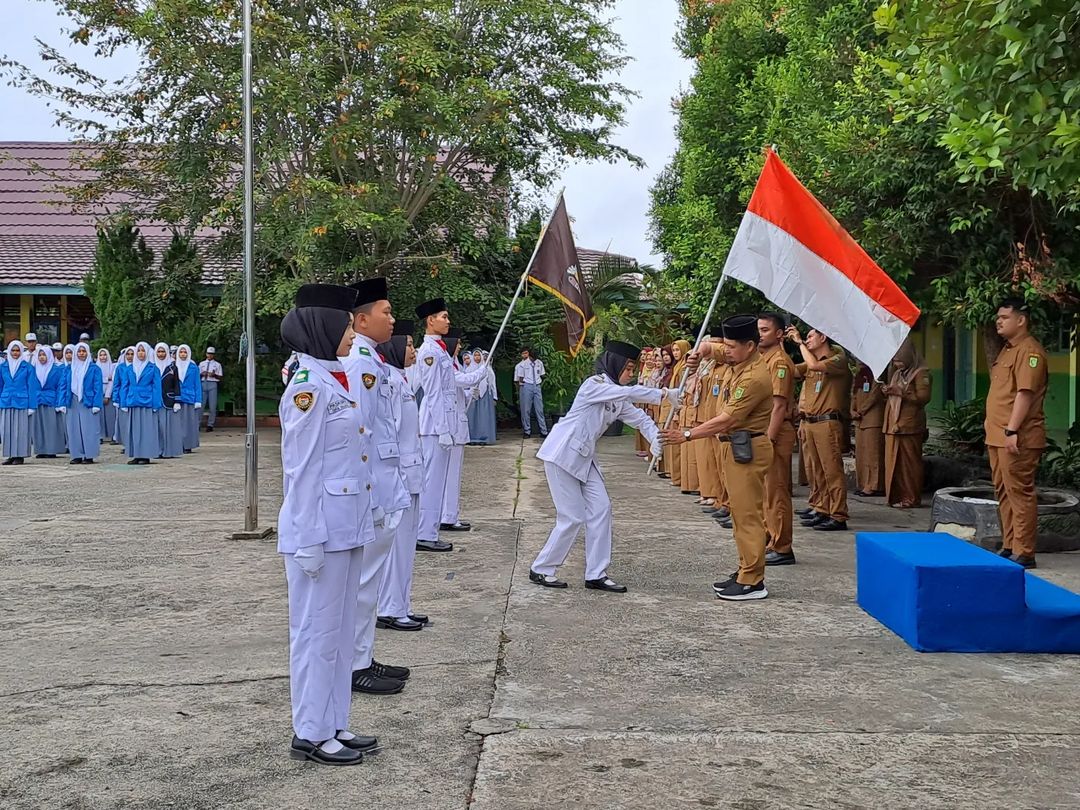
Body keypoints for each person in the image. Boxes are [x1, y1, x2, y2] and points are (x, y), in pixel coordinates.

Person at [277, 283, 378, 766]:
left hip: (347, 525)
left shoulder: (334, 376)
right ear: (323, 327)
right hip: (319, 531)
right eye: (346, 325)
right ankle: (310, 732)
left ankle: (334, 722)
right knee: (315, 633)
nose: (352, 334)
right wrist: (308, 539)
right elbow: (300, 470)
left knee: (337, 632)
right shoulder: (308, 387)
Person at [530, 341, 678, 592]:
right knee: (572, 517)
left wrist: (656, 439)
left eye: (633, 370)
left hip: (585, 459)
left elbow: (641, 419)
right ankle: (542, 568)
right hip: (562, 455)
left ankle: (596, 573)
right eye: (628, 369)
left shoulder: (617, 395)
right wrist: (663, 394)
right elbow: (628, 393)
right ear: (615, 364)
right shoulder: (594, 385)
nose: (631, 374)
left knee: (601, 509)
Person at [663, 315, 775, 601]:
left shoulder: (754, 378)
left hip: (747, 449)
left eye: (732, 346)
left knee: (748, 516)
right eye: (726, 345)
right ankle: (745, 569)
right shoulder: (739, 356)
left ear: (750, 346)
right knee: (738, 513)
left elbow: (726, 420)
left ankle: (753, 581)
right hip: (733, 446)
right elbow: (711, 348)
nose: (727, 351)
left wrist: (687, 434)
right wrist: (698, 353)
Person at [342, 277, 416, 694]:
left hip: (386, 484)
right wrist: (369, 495)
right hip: (374, 489)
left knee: (370, 583)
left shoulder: (373, 362)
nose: (392, 319)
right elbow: (361, 435)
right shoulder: (360, 363)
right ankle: (355, 665)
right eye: (385, 312)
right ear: (362, 320)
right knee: (363, 583)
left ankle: (364, 655)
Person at [413, 298, 489, 552]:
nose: (448, 321)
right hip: (435, 426)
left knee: (438, 482)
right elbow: (433, 393)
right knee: (432, 482)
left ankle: (430, 530)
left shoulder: (440, 351)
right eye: (444, 317)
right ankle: (424, 533)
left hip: (442, 424)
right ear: (430, 320)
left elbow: (452, 384)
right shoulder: (429, 352)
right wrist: (443, 429)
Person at [984, 298, 1048, 569]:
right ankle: (1010, 544)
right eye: (998, 317)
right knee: (1004, 491)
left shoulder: (1029, 352)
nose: (998, 321)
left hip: (1017, 436)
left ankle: (1025, 550)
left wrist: (1012, 429)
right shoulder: (1007, 350)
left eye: (1004, 317)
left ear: (1021, 320)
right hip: (997, 435)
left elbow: (1024, 394)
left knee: (1019, 492)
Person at [376, 320, 430, 632]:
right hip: (400, 476)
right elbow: (390, 433)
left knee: (407, 545)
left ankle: (402, 604)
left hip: (411, 473)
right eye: (408, 344)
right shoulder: (390, 382)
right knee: (397, 546)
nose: (413, 350)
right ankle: (390, 608)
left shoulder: (400, 378)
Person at [788, 326, 851, 531]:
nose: (807, 340)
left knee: (831, 470)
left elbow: (814, 366)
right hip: (811, 422)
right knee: (817, 470)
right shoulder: (811, 361)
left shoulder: (837, 359)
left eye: (810, 336)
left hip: (827, 422)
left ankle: (838, 514)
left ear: (823, 337)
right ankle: (822, 508)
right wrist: (778, 346)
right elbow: (792, 370)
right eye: (805, 338)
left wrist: (799, 342)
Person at [758, 314, 798, 566]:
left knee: (777, 491)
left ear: (779, 334)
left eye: (765, 330)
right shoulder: (764, 359)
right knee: (766, 491)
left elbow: (779, 405)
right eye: (758, 330)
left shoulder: (780, 362)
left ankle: (782, 546)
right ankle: (770, 537)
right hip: (765, 429)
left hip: (776, 431)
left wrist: (768, 439)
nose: (760, 334)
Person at [882, 338, 932, 509]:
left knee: (909, 465)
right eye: (895, 362)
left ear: (909, 356)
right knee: (893, 464)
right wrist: (888, 390)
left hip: (909, 426)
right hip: (893, 425)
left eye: (900, 361)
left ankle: (911, 497)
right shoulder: (897, 374)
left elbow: (924, 398)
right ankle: (896, 496)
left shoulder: (921, 373)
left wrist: (902, 392)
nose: (898, 365)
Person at [659, 339, 691, 488]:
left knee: (679, 446)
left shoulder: (685, 366)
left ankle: (679, 477)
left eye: (678, 350)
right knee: (672, 445)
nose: (675, 353)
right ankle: (674, 474)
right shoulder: (676, 366)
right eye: (674, 350)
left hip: (679, 407)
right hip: (672, 407)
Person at [851, 362, 886, 497]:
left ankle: (875, 485)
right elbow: (853, 394)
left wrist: (861, 410)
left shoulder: (877, 374)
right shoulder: (859, 375)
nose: (859, 362)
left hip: (872, 419)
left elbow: (875, 396)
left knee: (873, 453)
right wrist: (852, 410)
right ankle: (863, 483)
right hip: (859, 421)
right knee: (861, 453)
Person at [65, 342, 103, 464]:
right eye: (79, 351)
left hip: (88, 401)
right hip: (73, 400)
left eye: (84, 351)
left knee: (89, 429)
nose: (81, 354)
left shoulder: (94, 368)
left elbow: (98, 387)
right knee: (73, 428)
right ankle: (76, 455)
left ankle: (89, 455)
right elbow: (63, 386)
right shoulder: (69, 368)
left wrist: (97, 404)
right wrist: (61, 402)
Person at [126, 342, 162, 465]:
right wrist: (124, 402)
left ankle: (145, 456)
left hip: (147, 401)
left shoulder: (153, 368)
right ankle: (136, 454)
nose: (141, 353)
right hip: (133, 401)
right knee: (135, 430)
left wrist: (156, 404)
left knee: (146, 430)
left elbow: (157, 387)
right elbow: (126, 385)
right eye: (139, 351)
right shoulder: (130, 368)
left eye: (143, 351)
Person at [1, 341, 37, 464]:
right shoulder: (3, 367)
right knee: (7, 430)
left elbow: (32, 387)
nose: (15, 353)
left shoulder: (28, 367)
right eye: (13, 350)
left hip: (22, 402)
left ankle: (20, 455)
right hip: (6, 401)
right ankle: (10, 454)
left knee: (20, 430)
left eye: (17, 350)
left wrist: (32, 405)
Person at [32, 345, 67, 458]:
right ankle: (40, 450)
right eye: (40, 355)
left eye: (44, 355)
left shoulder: (56, 369)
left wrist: (59, 402)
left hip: (51, 400)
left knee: (51, 426)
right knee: (38, 426)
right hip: (37, 400)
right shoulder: (33, 369)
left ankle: (51, 450)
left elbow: (60, 387)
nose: (42, 357)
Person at [154, 342, 184, 459]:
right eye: (158, 352)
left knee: (168, 428)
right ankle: (157, 450)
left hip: (168, 401)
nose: (161, 354)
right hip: (155, 402)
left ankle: (169, 451)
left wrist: (177, 401)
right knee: (156, 428)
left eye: (163, 352)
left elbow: (176, 384)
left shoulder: (173, 368)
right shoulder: (151, 367)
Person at [514, 347, 548, 439]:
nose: (534, 359)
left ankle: (543, 431)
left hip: (537, 385)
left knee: (539, 409)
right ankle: (527, 431)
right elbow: (520, 378)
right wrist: (525, 385)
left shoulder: (539, 363)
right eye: (532, 357)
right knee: (526, 409)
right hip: (527, 385)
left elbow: (541, 374)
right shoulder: (523, 364)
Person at [467, 349, 497, 445]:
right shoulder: (469, 369)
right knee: (472, 416)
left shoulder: (486, 369)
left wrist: (494, 397)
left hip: (485, 395)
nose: (477, 357)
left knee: (483, 417)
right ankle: (472, 438)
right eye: (475, 355)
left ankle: (484, 438)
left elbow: (492, 383)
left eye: (478, 355)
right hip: (472, 395)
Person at [176, 344, 201, 453]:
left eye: (185, 352)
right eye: (181, 352)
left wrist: (198, 400)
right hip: (177, 398)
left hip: (189, 397)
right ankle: (178, 444)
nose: (183, 354)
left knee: (189, 423)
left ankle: (188, 445)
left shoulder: (193, 367)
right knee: (177, 423)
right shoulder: (174, 366)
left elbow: (197, 384)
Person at [113, 347, 134, 450]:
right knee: (124, 423)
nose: (130, 356)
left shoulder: (138, 367)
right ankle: (126, 445)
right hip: (123, 398)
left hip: (134, 397)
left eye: (132, 354)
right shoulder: (120, 367)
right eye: (128, 354)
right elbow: (116, 384)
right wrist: (115, 398)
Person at [199, 347, 223, 431]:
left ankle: (210, 425)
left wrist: (214, 375)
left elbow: (220, 377)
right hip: (203, 383)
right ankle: (198, 423)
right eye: (208, 353)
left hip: (212, 383)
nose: (210, 355)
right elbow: (197, 375)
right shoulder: (202, 364)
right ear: (206, 354)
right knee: (201, 405)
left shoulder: (217, 364)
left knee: (212, 406)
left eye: (211, 354)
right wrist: (202, 374)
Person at [97, 348, 117, 443]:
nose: (103, 357)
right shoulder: (96, 367)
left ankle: (113, 435)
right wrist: (106, 379)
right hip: (98, 394)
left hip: (109, 394)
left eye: (104, 355)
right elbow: (96, 381)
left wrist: (107, 395)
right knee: (99, 416)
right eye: (101, 355)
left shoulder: (112, 367)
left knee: (110, 416)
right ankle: (99, 436)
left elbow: (112, 381)